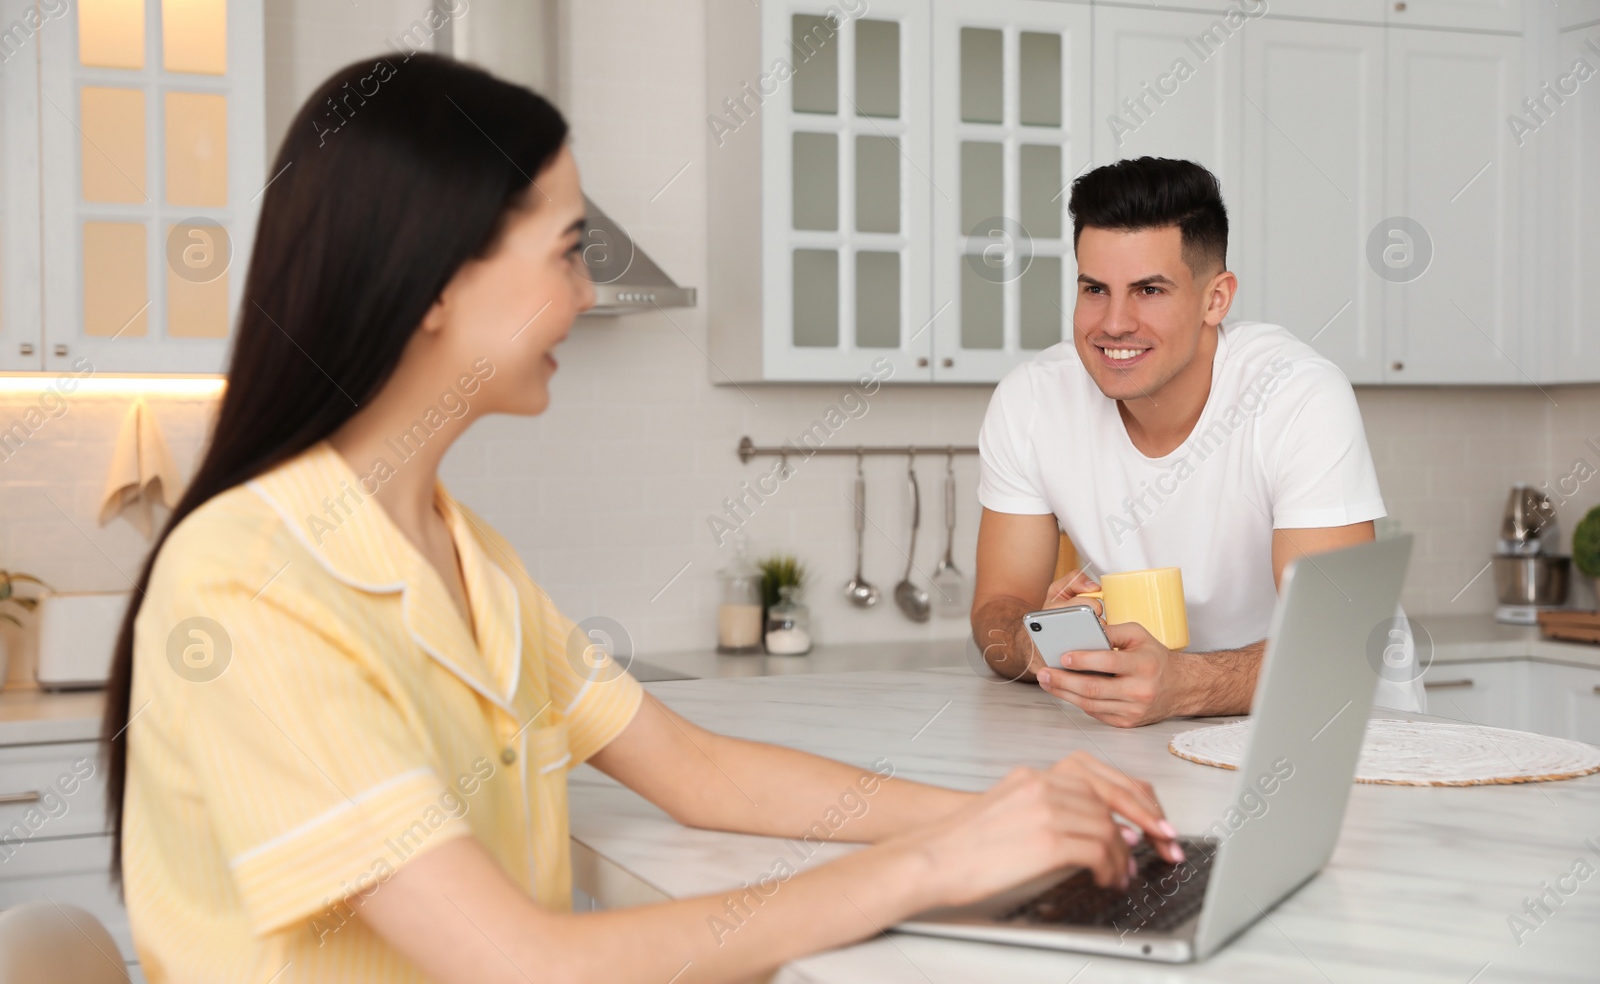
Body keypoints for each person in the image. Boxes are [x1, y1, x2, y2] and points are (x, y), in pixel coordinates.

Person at [99, 55, 1183, 984]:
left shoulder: (460, 552)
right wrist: (935, 866)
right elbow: (520, 960)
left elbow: (697, 771)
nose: (584, 291)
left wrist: (1000, 808)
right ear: (433, 280)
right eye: (568, 249)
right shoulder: (251, 581)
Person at [970, 156, 1422, 727]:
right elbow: (997, 608)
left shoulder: (1299, 396)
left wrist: (1183, 684)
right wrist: (1035, 645)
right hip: (1159, 724)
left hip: (1339, 726)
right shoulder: (1031, 402)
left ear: (1216, 299)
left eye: (1149, 290)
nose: (1113, 323)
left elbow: (1340, 640)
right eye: (1094, 289)